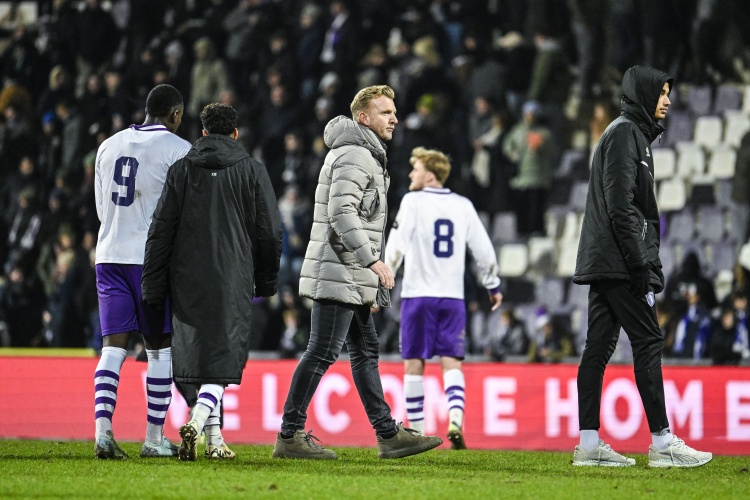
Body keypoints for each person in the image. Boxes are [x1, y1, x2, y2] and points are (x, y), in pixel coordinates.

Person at [272, 85, 443, 460]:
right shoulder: (355, 154)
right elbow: (342, 213)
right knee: (322, 351)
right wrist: (372, 261)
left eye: (394, 111)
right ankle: (289, 436)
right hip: (340, 270)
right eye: (385, 112)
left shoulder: (365, 153)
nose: (394, 118)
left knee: (365, 351)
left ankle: (388, 435)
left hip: (348, 273)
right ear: (363, 118)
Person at [572, 66, 712, 468]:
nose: (667, 100)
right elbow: (621, 207)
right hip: (619, 261)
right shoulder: (625, 134)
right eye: (661, 92)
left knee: (598, 347)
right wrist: (640, 264)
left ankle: (588, 445)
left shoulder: (630, 134)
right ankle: (663, 443)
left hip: (609, 258)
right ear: (644, 94)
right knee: (649, 340)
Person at [142, 103, 282, 461]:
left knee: (201, 356)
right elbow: (269, 232)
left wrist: (153, 283)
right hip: (233, 276)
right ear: (235, 134)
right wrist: (266, 280)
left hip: (185, 277)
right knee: (225, 354)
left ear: (203, 133)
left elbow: (161, 229)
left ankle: (215, 440)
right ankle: (198, 420)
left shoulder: (181, 169)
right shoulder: (252, 170)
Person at [92, 84, 191, 459]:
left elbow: (102, 209)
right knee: (159, 350)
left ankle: (103, 433)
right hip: (150, 261)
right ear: (176, 115)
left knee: (112, 349)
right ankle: (153, 439)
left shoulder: (108, 145)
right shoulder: (178, 149)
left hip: (109, 256)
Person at [384, 146, 502, 450]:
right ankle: (455, 420)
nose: (411, 174)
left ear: (430, 175)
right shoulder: (463, 205)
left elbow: (395, 246)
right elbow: (484, 249)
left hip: (417, 296)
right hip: (452, 298)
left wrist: (382, 283)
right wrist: (492, 285)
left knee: (414, 364)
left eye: (416, 169)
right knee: (451, 362)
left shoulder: (412, 201)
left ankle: (417, 432)